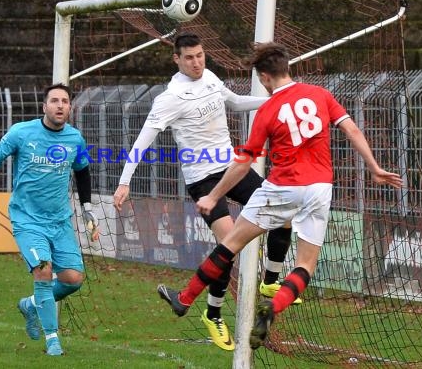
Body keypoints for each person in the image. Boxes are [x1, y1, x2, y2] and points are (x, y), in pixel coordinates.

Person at [157, 41, 403, 349]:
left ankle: (185, 298)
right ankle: (272, 306)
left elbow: (243, 161)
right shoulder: (320, 95)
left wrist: (213, 195)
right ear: (286, 68)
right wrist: (375, 167)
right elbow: (352, 130)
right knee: (305, 266)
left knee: (230, 244)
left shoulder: (269, 108)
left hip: (281, 189)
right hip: (319, 190)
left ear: (264, 76)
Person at [113, 32, 298, 351]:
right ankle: (212, 314)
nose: (197, 62)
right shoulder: (169, 98)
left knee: (283, 212)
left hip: (232, 169)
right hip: (202, 180)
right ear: (177, 59)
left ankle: (270, 282)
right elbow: (144, 139)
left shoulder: (211, 77)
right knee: (229, 246)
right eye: (189, 57)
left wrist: (273, 99)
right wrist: (124, 180)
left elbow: (236, 103)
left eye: (200, 55)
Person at [0, 83, 99, 356]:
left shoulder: (75, 139)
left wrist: (87, 208)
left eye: (65, 101)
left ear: (70, 108)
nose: (60, 106)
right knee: (44, 270)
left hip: (59, 221)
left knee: (73, 279)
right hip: (27, 219)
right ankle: (53, 340)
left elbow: (82, 172)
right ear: (44, 106)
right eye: (54, 101)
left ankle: (31, 304)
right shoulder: (22, 133)